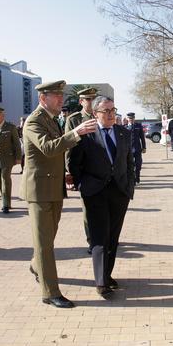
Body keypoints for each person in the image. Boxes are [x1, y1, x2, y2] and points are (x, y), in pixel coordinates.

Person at [20, 80, 98, 309]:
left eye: (61, 96)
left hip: (53, 187)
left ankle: (36, 265)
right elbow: (49, 148)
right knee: (45, 245)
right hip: (39, 192)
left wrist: (65, 172)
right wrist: (76, 132)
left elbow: (56, 153)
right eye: (56, 96)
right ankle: (50, 292)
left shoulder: (51, 119)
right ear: (42, 98)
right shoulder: (34, 121)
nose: (61, 100)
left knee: (48, 239)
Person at [69, 96, 135, 297]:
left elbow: (129, 162)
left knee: (113, 238)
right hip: (95, 193)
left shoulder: (123, 132)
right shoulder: (86, 134)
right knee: (99, 237)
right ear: (95, 113)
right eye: (106, 111)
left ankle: (106, 275)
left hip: (119, 192)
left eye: (113, 110)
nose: (111, 114)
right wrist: (82, 185)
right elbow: (74, 163)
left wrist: (129, 186)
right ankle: (100, 282)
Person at [65, 87, 98, 249]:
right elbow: (68, 145)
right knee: (89, 208)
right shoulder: (74, 119)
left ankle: (104, 237)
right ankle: (92, 240)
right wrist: (68, 171)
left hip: (103, 168)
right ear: (81, 101)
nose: (91, 102)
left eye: (93, 99)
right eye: (88, 99)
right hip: (84, 169)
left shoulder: (102, 115)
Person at [125, 112, 146, 184]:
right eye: (130, 118)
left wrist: (144, 147)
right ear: (127, 119)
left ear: (134, 118)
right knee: (130, 165)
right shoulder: (125, 127)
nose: (131, 119)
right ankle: (133, 179)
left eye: (132, 118)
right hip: (129, 149)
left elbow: (142, 137)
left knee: (138, 165)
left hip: (137, 148)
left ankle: (137, 176)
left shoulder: (138, 126)